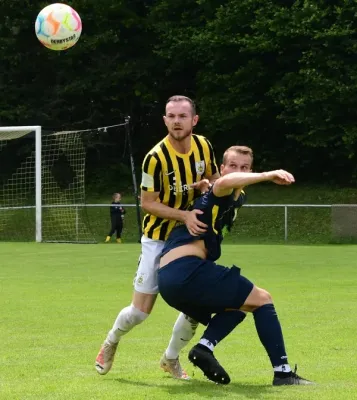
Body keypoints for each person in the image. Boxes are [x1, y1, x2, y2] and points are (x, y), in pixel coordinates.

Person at [158, 146, 313, 385]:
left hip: (172, 281)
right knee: (263, 299)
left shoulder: (235, 196)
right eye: (232, 166)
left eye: (244, 167)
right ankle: (282, 373)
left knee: (239, 305)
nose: (238, 171)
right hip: (186, 270)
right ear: (222, 169)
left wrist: (203, 188)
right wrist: (267, 175)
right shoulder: (221, 187)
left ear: (248, 169)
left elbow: (229, 191)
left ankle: (204, 349)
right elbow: (224, 184)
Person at [95, 95, 220, 377]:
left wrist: (206, 186)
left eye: (182, 116)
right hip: (158, 237)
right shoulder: (155, 158)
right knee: (140, 312)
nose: (177, 121)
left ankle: (170, 358)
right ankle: (111, 340)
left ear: (194, 120)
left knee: (196, 305)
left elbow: (213, 178)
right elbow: (147, 203)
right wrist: (184, 215)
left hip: (190, 237)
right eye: (171, 116)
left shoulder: (204, 145)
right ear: (165, 120)